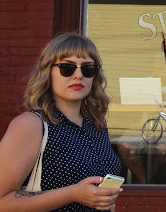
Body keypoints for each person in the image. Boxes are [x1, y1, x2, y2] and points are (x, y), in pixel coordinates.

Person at [0, 33, 122, 211]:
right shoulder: (32, 124)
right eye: (67, 67)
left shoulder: (97, 124)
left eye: (88, 68)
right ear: (48, 71)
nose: (78, 75)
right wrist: (72, 194)